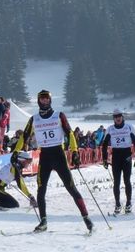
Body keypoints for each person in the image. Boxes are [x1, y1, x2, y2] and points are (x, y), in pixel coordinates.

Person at [12, 89, 93, 233]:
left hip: (58, 155)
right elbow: (24, 136)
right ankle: (43, 222)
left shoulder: (59, 115)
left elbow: (70, 133)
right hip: (45, 156)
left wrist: (75, 151)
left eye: (46, 99)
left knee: (71, 188)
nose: (44, 101)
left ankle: (86, 218)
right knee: (41, 190)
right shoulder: (34, 119)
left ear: (50, 100)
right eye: (42, 99)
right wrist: (16, 151)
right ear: (38, 101)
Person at [101, 109, 135, 214]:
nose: (118, 118)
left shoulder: (129, 127)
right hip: (116, 157)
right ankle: (117, 204)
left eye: (119, 116)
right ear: (113, 118)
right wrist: (104, 159)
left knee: (127, 181)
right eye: (115, 117)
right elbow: (104, 145)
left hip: (127, 156)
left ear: (122, 117)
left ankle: (128, 203)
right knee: (116, 182)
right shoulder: (110, 129)